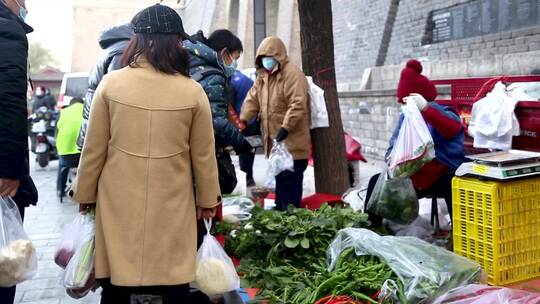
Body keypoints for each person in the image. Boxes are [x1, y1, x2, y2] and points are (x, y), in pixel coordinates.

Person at [70, 4, 221, 304]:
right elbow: (204, 156)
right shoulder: (192, 92)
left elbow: (93, 150)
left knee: (117, 284)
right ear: (175, 44)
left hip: (118, 203)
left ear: (138, 41)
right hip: (173, 202)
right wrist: (208, 200)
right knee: (174, 283)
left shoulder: (111, 85)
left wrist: (84, 194)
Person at [365, 59, 466, 226]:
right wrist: (392, 158)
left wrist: (426, 109)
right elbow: (393, 144)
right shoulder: (406, 116)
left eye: (407, 101)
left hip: (440, 177)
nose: (404, 105)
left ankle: (461, 236)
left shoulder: (439, 111)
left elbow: (453, 128)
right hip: (413, 179)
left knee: (453, 184)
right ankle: (370, 230)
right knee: (376, 182)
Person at [240, 36, 311, 211]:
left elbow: (298, 103)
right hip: (276, 144)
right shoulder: (264, 77)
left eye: (269, 57)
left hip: (292, 143)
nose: (266, 61)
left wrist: (286, 127)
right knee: (280, 179)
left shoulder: (292, 74)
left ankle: (292, 218)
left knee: (291, 181)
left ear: (278, 56)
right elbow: (252, 99)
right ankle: (281, 210)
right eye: (263, 58)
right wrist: (241, 120)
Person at [0, 0, 38, 303]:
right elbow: (9, 101)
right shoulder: (7, 30)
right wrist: (10, 170)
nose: (25, 7)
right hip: (2, 177)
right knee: (5, 265)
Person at [184, 29, 252, 156]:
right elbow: (218, 122)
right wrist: (241, 143)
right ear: (224, 52)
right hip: (202, 148)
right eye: (235, 58)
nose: (234, 64)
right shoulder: (213, 77)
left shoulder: (190, 63)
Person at [77, 23, 134, 150]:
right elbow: (118, 90)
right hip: (107, 124)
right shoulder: (123, 50)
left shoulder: (109, 50)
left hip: (94, 117)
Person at [230, 70, 258, 187]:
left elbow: (230, 105)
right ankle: (249, 177)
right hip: (252, 118)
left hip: (244, 120)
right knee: (250, 149)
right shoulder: (244, 78)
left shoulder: (231, 81)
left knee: (244, 149)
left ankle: (245, 177)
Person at [55, 98, 83, 201]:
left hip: (66, 154)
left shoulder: (63, 112)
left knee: (62, 166)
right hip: (83, 154)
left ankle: (60, 190)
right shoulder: (87, 109)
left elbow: (56, 133)